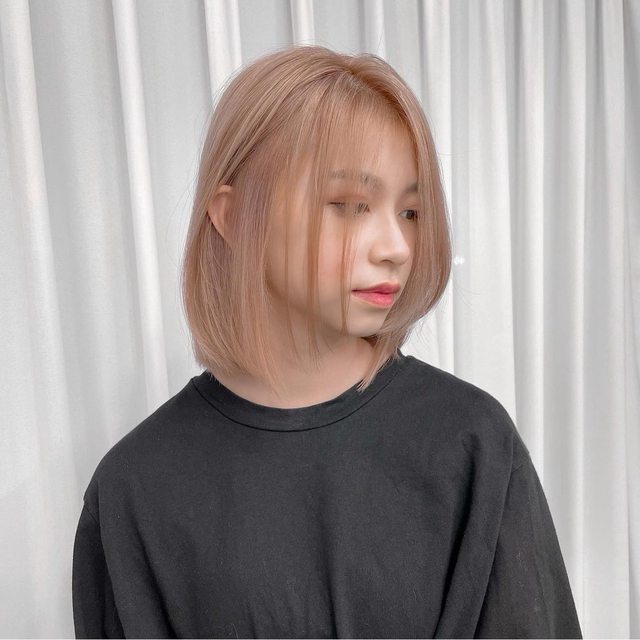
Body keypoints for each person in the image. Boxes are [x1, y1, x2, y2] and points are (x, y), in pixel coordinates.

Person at [71, 44, 582, 638]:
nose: (395, 247)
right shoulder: (135, 488)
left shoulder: (470, 444)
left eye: (411, 212)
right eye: (348, 205)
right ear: (232, 217)